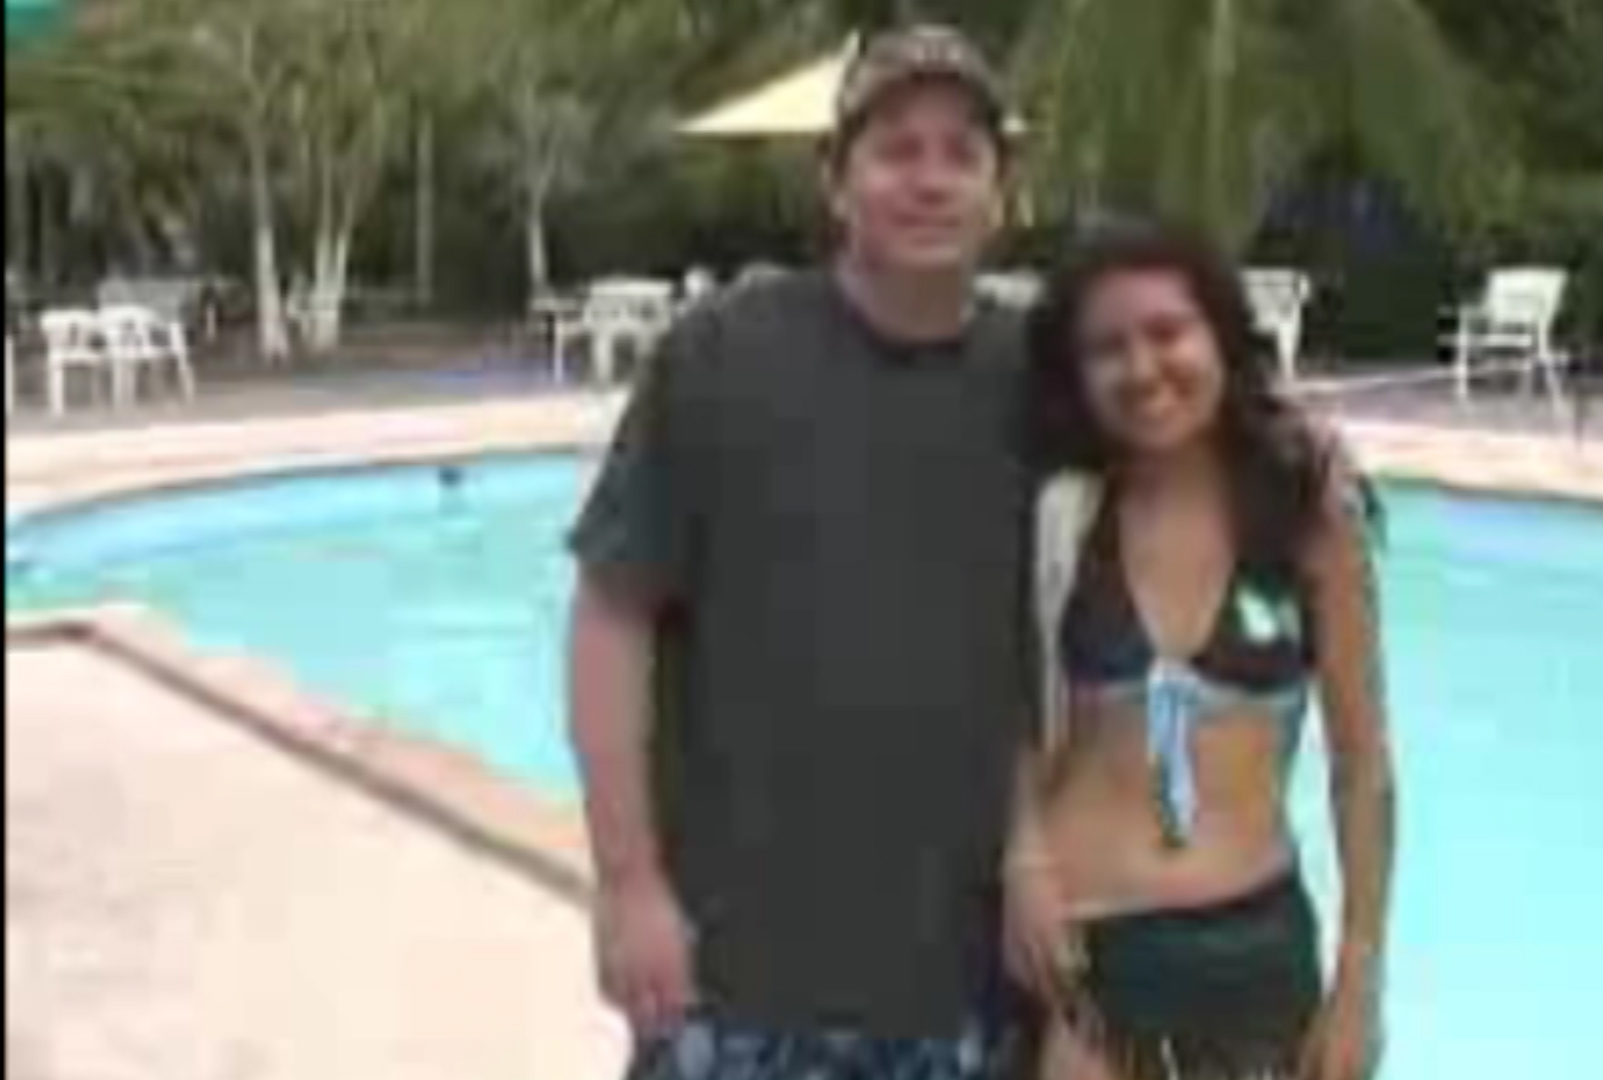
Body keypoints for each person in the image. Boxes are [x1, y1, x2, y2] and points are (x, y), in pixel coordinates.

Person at [564, 24, 1037, 1080]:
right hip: (738, 976)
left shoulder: (1037, 378)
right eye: (896, 150)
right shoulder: (721, 356)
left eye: (961, 154)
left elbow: (1180, 453)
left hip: (964, 980)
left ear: (1000, 193)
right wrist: (628, 884)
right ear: (835, 180)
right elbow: (610, 616)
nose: (930, 180)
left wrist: (1298, 456)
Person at [1004, 219, 1397, 1080]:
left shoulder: (1304, 499)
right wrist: (1021, 858)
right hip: (1081, 955)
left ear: (1219, 334)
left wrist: (1360, 977)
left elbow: (1362, 763)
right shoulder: (1059, 510)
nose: (1143, 368)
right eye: (1107, 348)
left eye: (1167, 332)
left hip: (1256, 956)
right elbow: (998, 708)